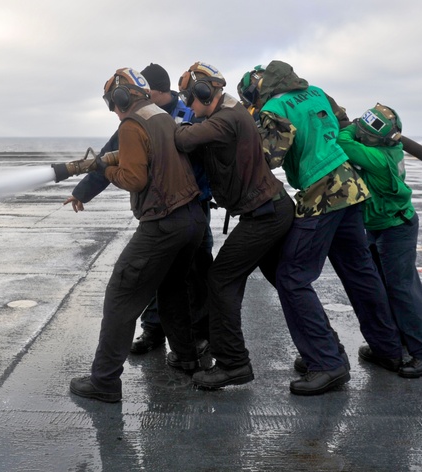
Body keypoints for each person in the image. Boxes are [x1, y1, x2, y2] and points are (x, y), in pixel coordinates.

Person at [241, 60, 404, 395]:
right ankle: (388, 349)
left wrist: (246, 134)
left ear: (256, 89)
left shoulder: (274, 108)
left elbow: (267, 158)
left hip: (322, 194)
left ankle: (327, 362)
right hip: (351, 186)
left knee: (292, 277)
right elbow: (347, 126)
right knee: (359, 271)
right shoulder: (316, 93)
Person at [69, 67, 205, 403]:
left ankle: (104, 382)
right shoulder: (161, 116)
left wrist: (104, 168)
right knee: (172, 289)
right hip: (192, 220)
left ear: (122, 97)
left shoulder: (131, 124)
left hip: (162, 223)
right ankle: (187, 357)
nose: (113, 110)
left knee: (120, 294)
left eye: (111, 103)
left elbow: (134, 179)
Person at [174, 62, 294, 390]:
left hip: (265, 215)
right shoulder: (229, 113)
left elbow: (184, 139)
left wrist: (171, 123)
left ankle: (233, 363)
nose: (189, 105)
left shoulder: (227, 118)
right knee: (287, 283)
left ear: (204, 92)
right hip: (269, 209)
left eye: (190, 98)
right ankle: (326, 355)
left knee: (220, 278)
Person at [337, 103, 422, 378]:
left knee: (403, 290)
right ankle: (394, 345)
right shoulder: (385, 148)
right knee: (383, 287)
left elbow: (342, 140)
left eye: (365, 131)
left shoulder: (379, 158)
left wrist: (350, 125)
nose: (360, 133)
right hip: (379, 224)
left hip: (396, 227)